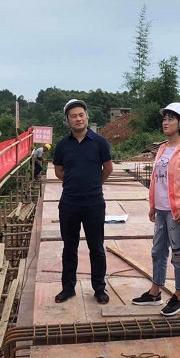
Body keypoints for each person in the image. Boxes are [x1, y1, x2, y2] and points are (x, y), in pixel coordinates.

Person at [132, 102, 180, 316]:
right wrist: (153, 206)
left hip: (176, 210)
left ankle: (179, 297)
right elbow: (156, 179)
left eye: (171, 119)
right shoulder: (163, 148)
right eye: (164, 118)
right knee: (158, 251)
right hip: (161, 210)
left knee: (178, 254)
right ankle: (155, 292)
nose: (165, 122)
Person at [53, 99, 114, 305]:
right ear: (67, 120)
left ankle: (99, 288)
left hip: (94, 204)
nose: (78, 119)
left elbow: (108, 168)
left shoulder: (100, 142)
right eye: (73, 116)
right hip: (69, 204)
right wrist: (74, 183)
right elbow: (59, 171)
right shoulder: (62, 145)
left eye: (81, 115)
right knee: (69, 248)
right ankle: (68, 288)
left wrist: (93, 184)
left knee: (96, 248)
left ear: (87, 117)